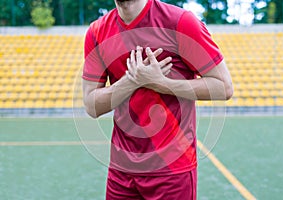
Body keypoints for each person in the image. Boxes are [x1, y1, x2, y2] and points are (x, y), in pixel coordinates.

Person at [82, 0, 233, 199]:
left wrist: (160, 83)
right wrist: (131, 81)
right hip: (121, 171)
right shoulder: (96, 32)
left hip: (172, 170)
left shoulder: (181, 22)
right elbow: (92, 106)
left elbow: (223, 87)